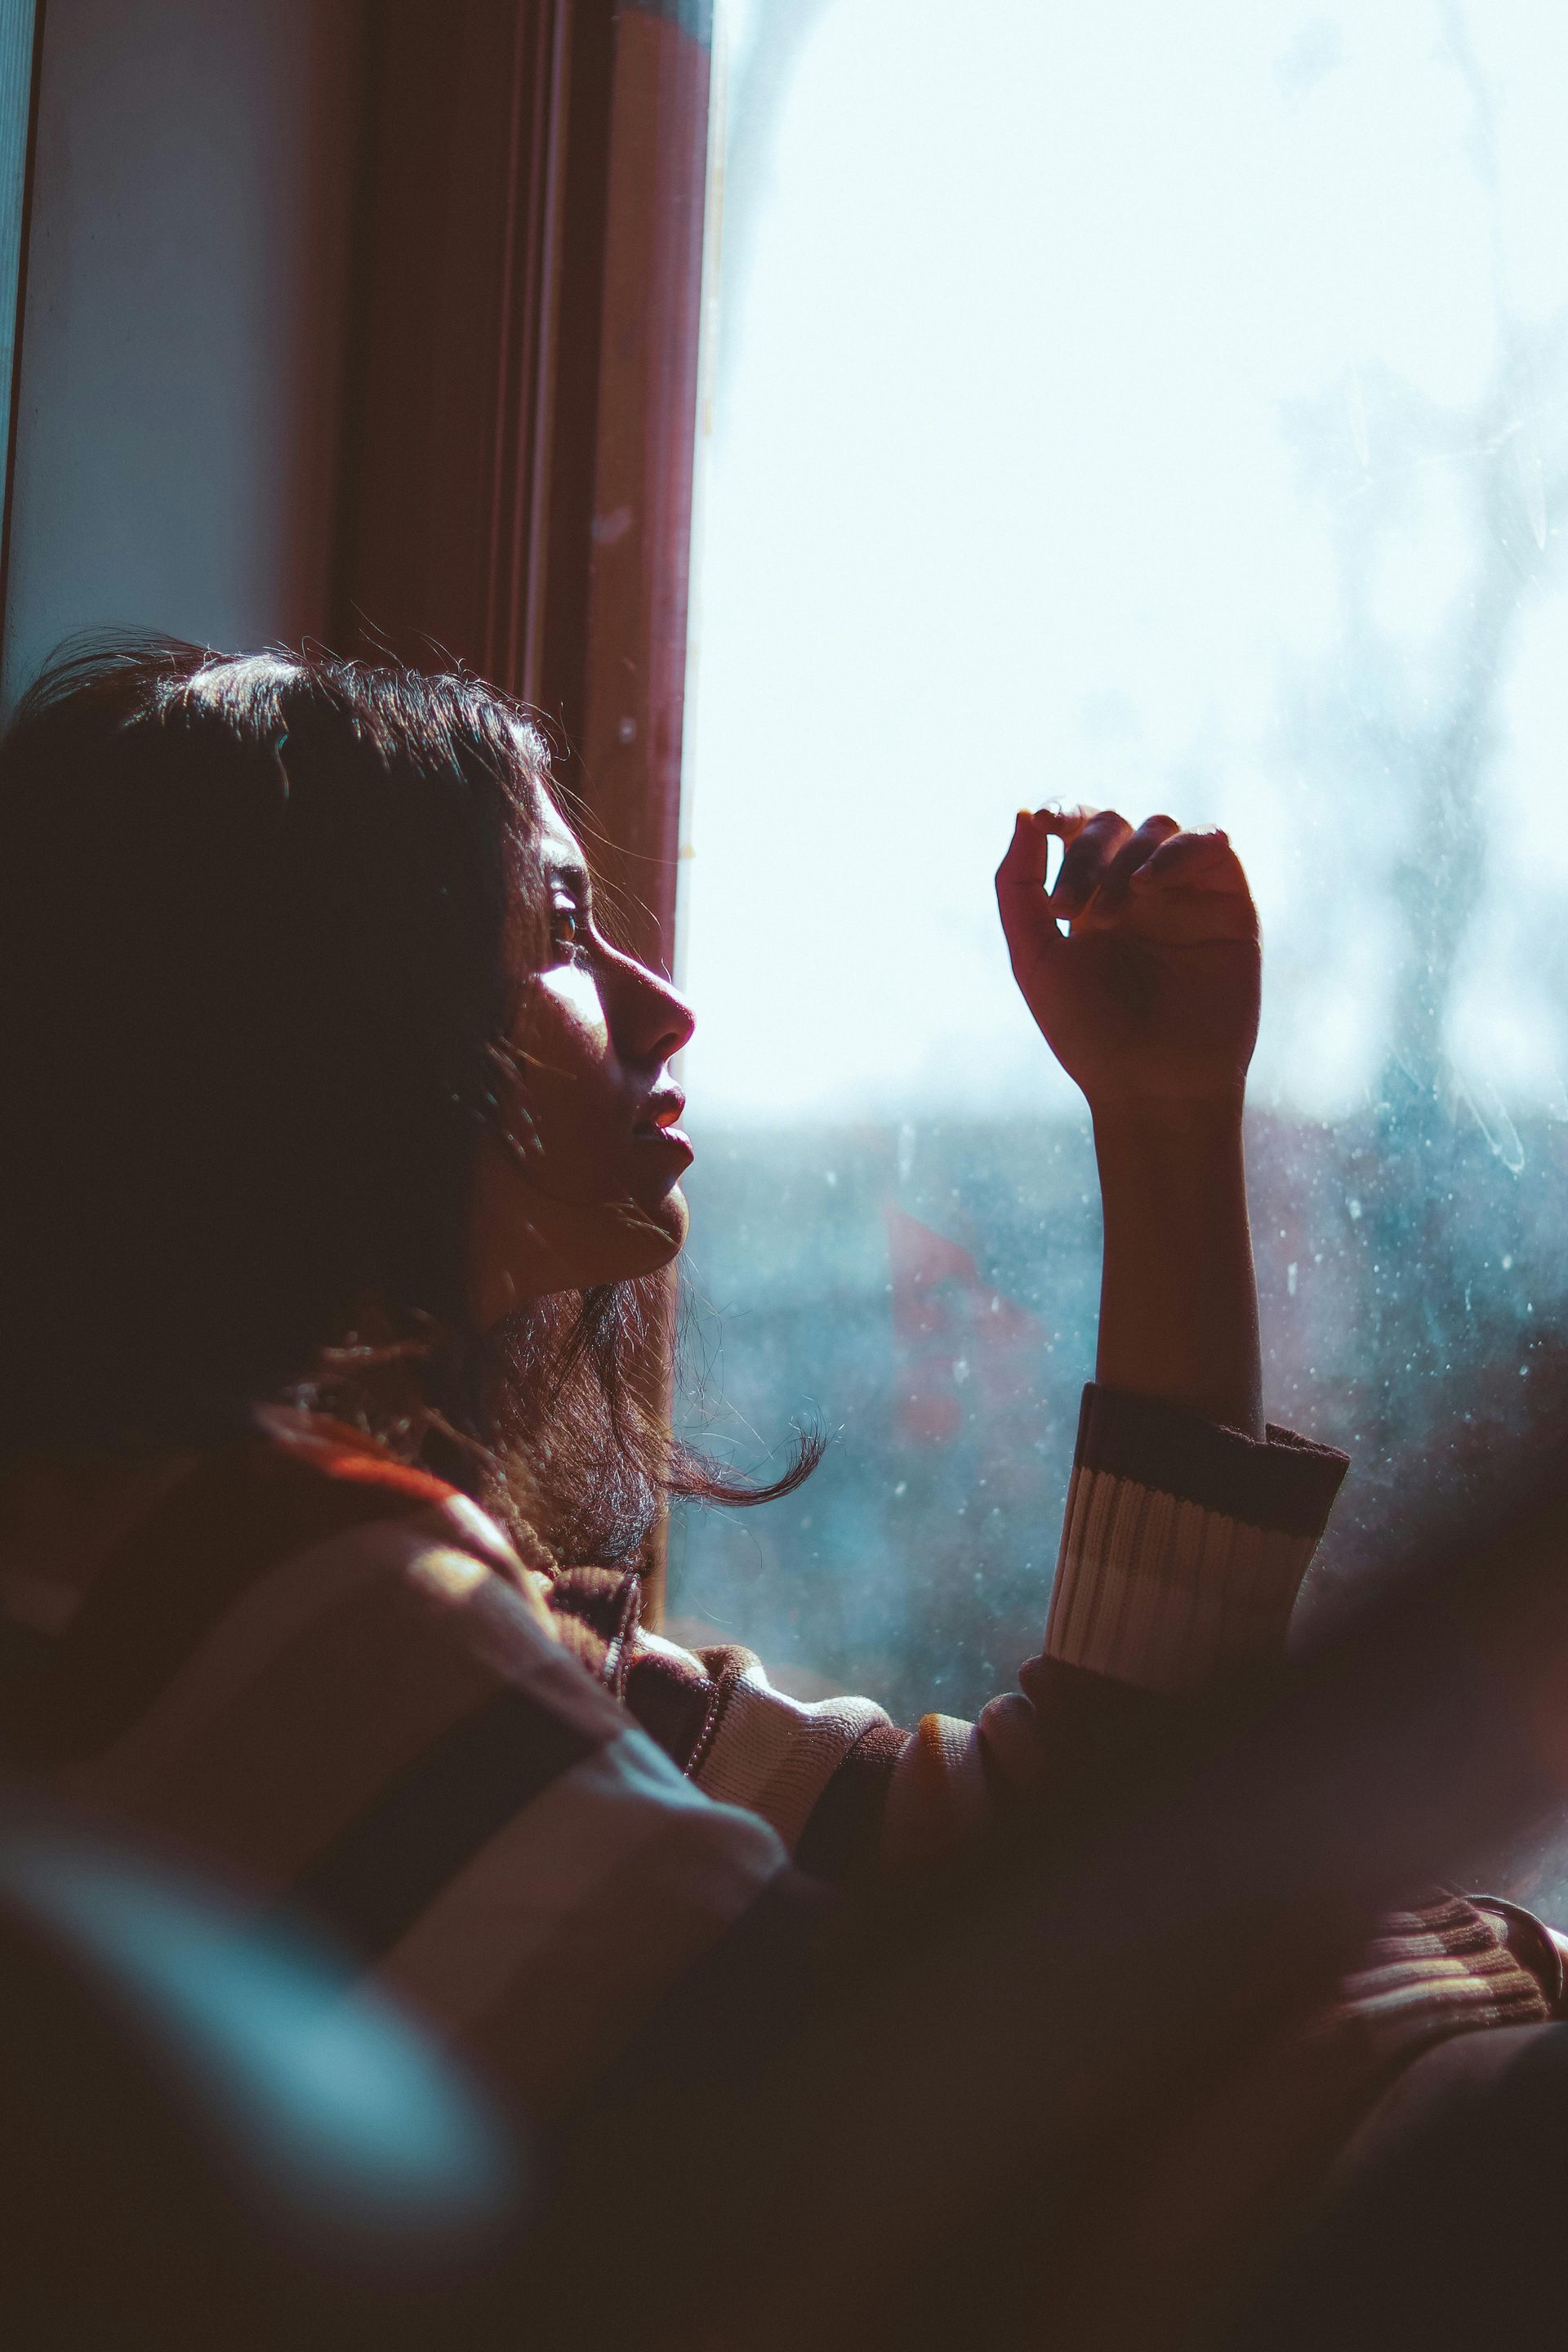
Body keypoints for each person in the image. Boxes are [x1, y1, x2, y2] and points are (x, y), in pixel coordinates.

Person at [0, 637, 1552, 2160]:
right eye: (556, 925)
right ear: (330, 1014)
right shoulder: (308, 1615)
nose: (661, 1004)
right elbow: (930, 2109)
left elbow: (1038, 1832)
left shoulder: (255, 1602)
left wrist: (1162, 1119)